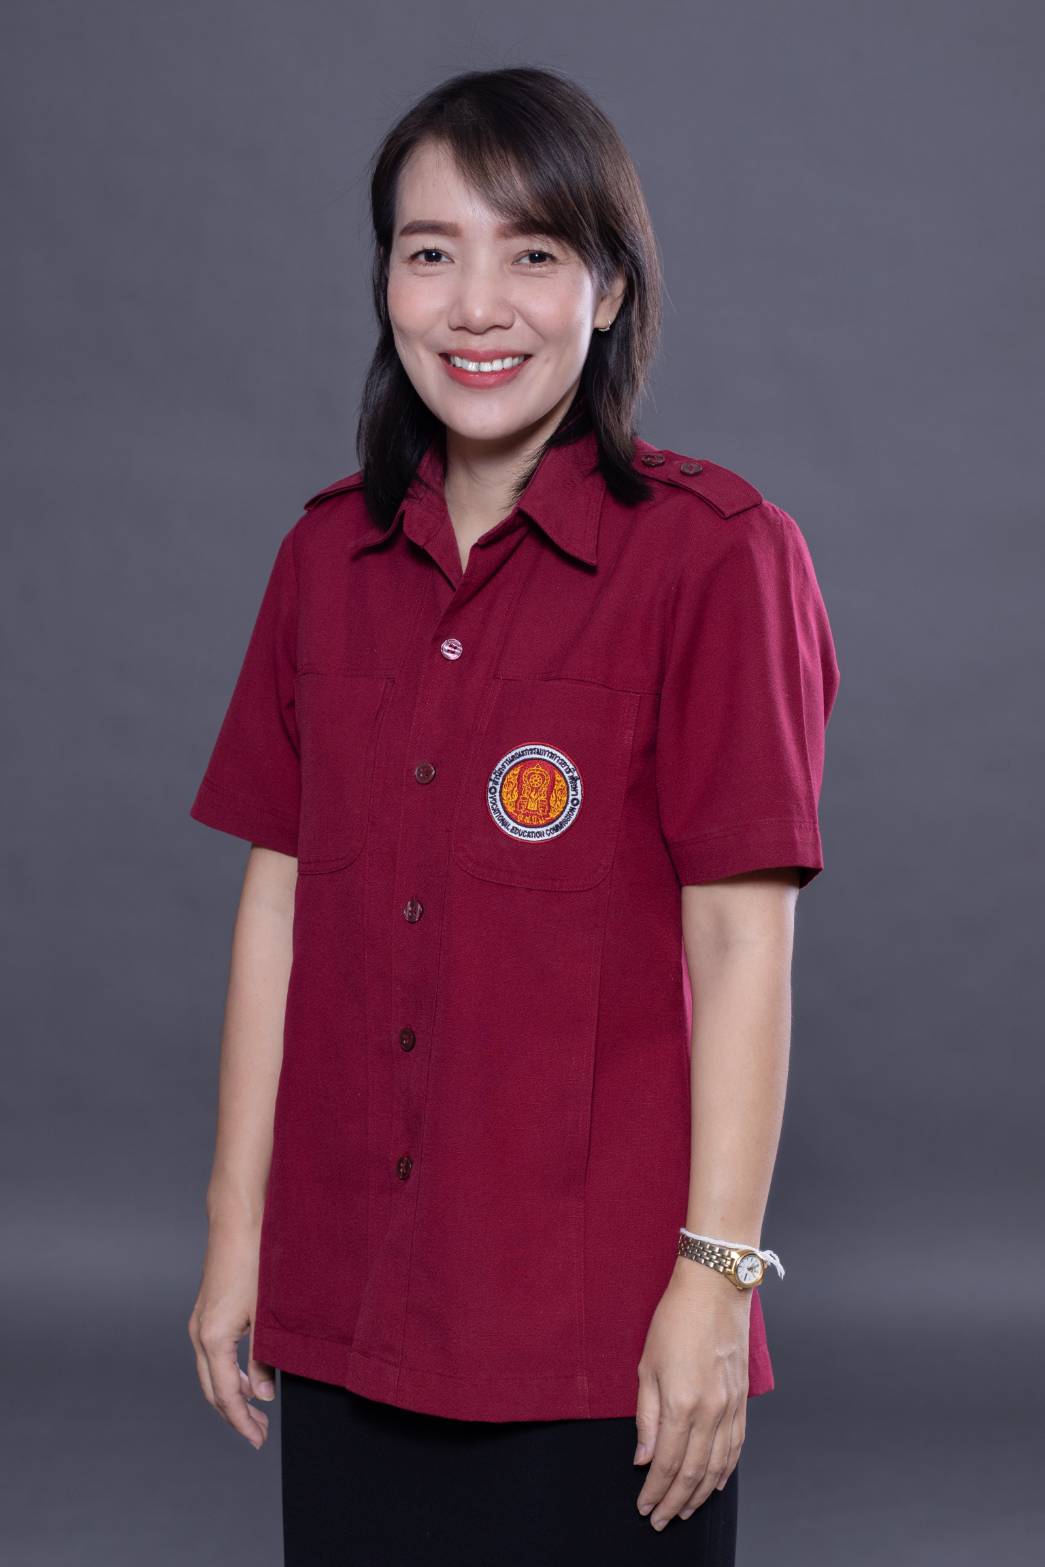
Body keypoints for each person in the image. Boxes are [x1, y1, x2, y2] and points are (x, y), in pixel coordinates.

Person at [186, 65, 841, 1566]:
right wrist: (237, 1238)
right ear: (387, 285)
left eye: (532, 252)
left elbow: (742, 947)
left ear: (608, 290)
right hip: (349, 1301)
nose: (476, 305)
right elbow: (278, 908)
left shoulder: (716, 559)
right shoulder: (321, 562)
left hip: (596, 1329)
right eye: (432, 252)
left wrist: (714, 1283)